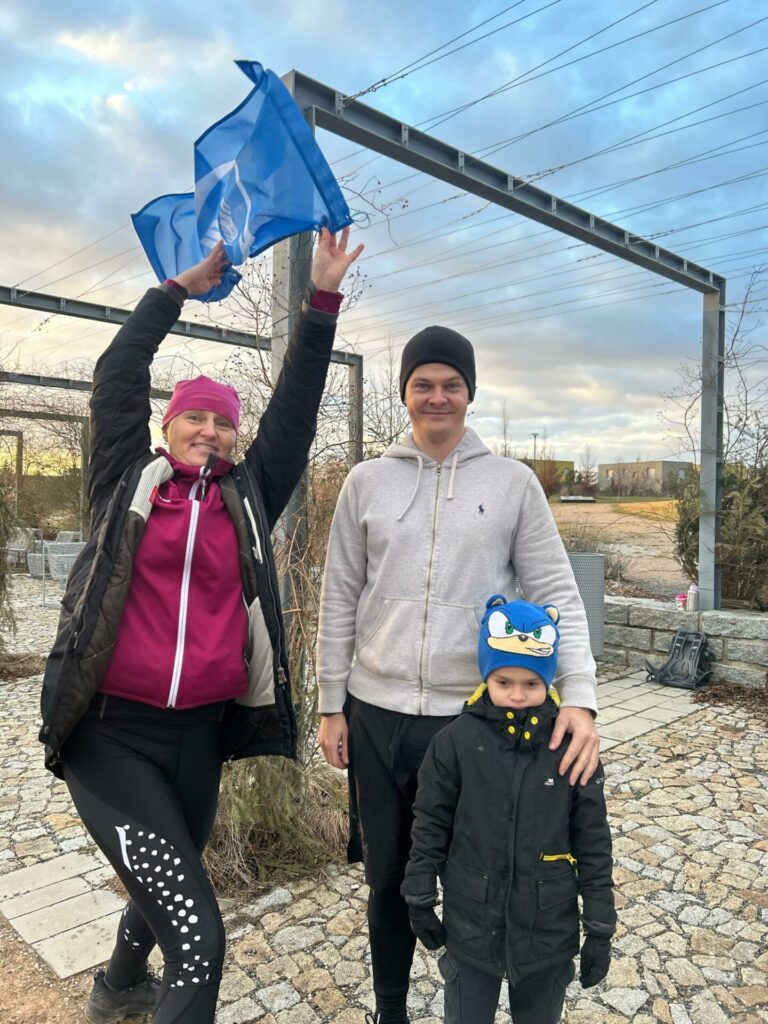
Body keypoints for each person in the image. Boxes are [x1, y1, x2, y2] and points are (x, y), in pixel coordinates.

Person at [38, 227, 362, 1024]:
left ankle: (117, 988)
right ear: (169, 426)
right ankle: (129, 990)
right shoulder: (122, 479)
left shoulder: (248, 499)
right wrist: (176, 290)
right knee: (198, 939)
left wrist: (321, 300)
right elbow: (118, 374)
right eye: (196, 419)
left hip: (200, 739)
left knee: (165, 880)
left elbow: (295, 414)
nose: (210, 432)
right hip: (109, 736)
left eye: (223, 422)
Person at [316, 325, 600, 1024]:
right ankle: (390, 1010)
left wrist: (581, 698)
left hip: (472, 723)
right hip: (376, 713)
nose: (437, 396)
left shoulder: (512, 485)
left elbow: (558, 594)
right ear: (404, 393)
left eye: (451, 384)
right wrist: (330, 703)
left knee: (478, 877)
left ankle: (471, 1004)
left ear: (470, 393)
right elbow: (339, 594)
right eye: (423, 384)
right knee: (387, 878)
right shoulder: (366, 482)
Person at [401, 596, 615, 1024]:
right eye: (504, 681)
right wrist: (419, 893)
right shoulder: (454, 743)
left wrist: (600, 926)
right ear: (486, 676)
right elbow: (430, 822)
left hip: (547, 932)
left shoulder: (570, 750)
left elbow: (593, 841)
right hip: (470, 927)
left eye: (531, 683)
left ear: (548, 682)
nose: (517, 695)